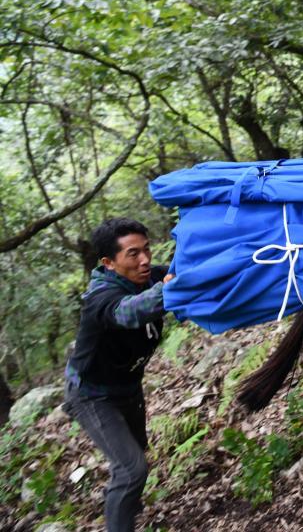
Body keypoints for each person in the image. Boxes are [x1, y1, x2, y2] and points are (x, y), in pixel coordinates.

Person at [63, 218, 174, 532]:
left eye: (147, 249)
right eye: (133, 254)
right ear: (108, 263)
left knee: (134, 456)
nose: (145, 260)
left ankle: (124, 507)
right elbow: (130, 311)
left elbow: (183, 271)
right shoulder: (99, 297)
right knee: (131, 470)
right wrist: (172, 289)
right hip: (91, 395)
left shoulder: (148, 276)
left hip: (127, 388)